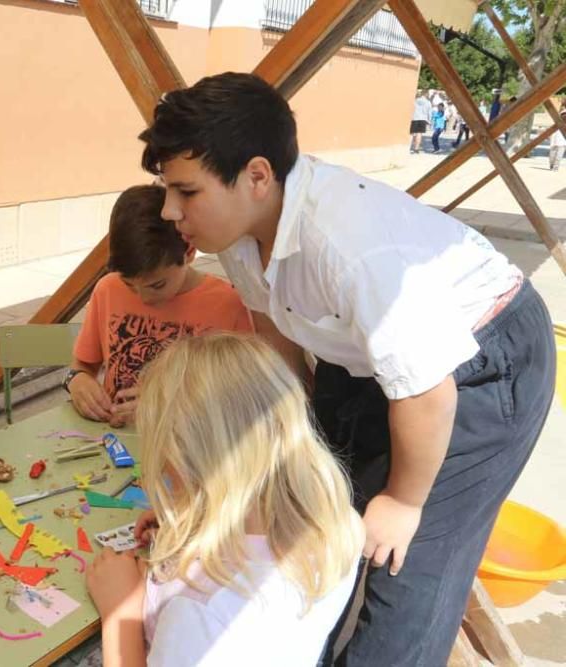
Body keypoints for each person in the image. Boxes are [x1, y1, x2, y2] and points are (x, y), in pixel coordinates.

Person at [138, 72, 556, 666]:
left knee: (401, 566)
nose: (169, 210)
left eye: (185, 192)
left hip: (478, 361)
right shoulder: (235, 226)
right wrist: (218, 499)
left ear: (257, 176)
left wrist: (404, 503)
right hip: (366, 353)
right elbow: (278, 334)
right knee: (313, 515)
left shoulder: (349, 244)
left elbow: (428, 390)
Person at [85, 334, 363, 667]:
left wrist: (121, 613)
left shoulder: (199, 614)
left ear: (197, 467)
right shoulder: (340, 522)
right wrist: (196, 517)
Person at [66, 184, 252, 427]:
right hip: (115, 443)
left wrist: (166, 409)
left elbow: (245, 399)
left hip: (190, 451)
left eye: (157, 285)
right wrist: (77, 379)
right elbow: (83, 364)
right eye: (130, 285)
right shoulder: (108, 289)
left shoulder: (230, 305)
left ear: (189, 252)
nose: (143, 299)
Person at [409, 89, 431, 154]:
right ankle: (416, 148)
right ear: (426, 94)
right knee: (419, 133)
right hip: (423, 119)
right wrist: (429, 120)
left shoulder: (416, 100)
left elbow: (411, 108)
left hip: (415, 117)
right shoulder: (428, 102)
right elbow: (429, 112)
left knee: (412, 133)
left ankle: (409, 147)